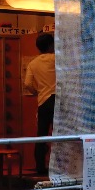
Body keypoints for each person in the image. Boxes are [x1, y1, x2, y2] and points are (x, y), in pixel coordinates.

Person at [24, 31, 56, 175]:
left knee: (42, 134)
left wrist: (37, 91)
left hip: (43, 101)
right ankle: (59, 165)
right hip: (59, 101)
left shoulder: (33, 63)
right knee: (61, 135)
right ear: (50, 45)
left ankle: (40, 167)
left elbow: (27, 84)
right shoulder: (58, 60)